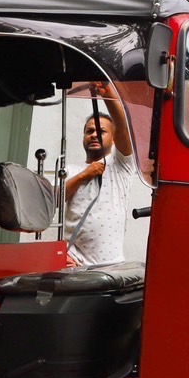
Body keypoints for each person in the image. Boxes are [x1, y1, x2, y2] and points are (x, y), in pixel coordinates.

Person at [63, 81, 136, 267]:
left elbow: (123, 127)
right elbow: (54, 198)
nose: (94, 134)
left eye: (101, 131)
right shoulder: (70, 170)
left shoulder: (120, 165)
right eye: (89, 131)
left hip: (110, 264)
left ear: (113, 139)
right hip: (74, 262)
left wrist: (107, 94)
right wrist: (84, 175)